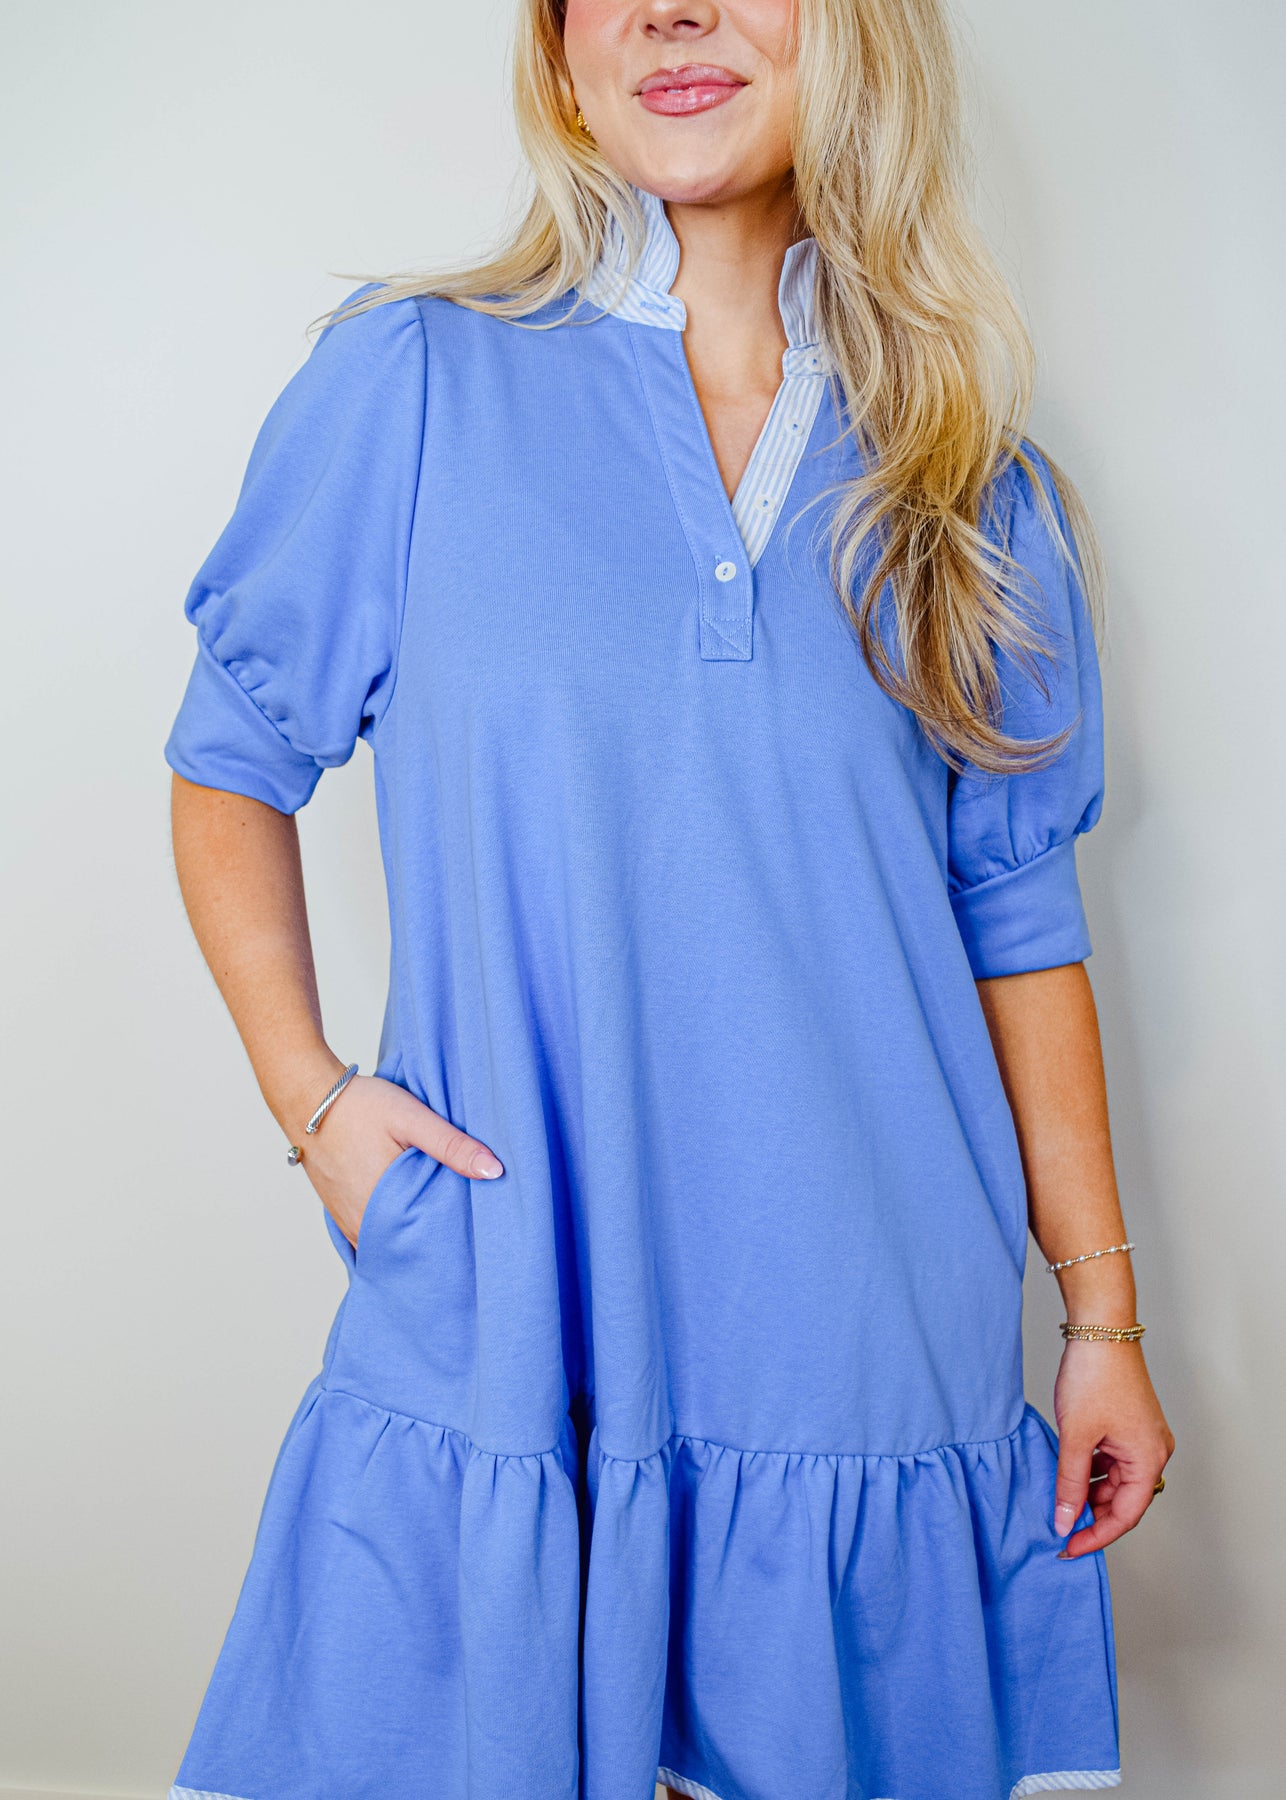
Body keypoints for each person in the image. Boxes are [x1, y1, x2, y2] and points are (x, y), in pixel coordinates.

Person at [163, 3, 1174, 1797]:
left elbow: (1016, 924)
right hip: (516, 1292)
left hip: (863, 1328)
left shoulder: (966, 480)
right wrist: (313, 1105)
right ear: (561, 55)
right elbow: (230, 762)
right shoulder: (413, 383)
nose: (671, 13)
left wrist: (1100, 1320)